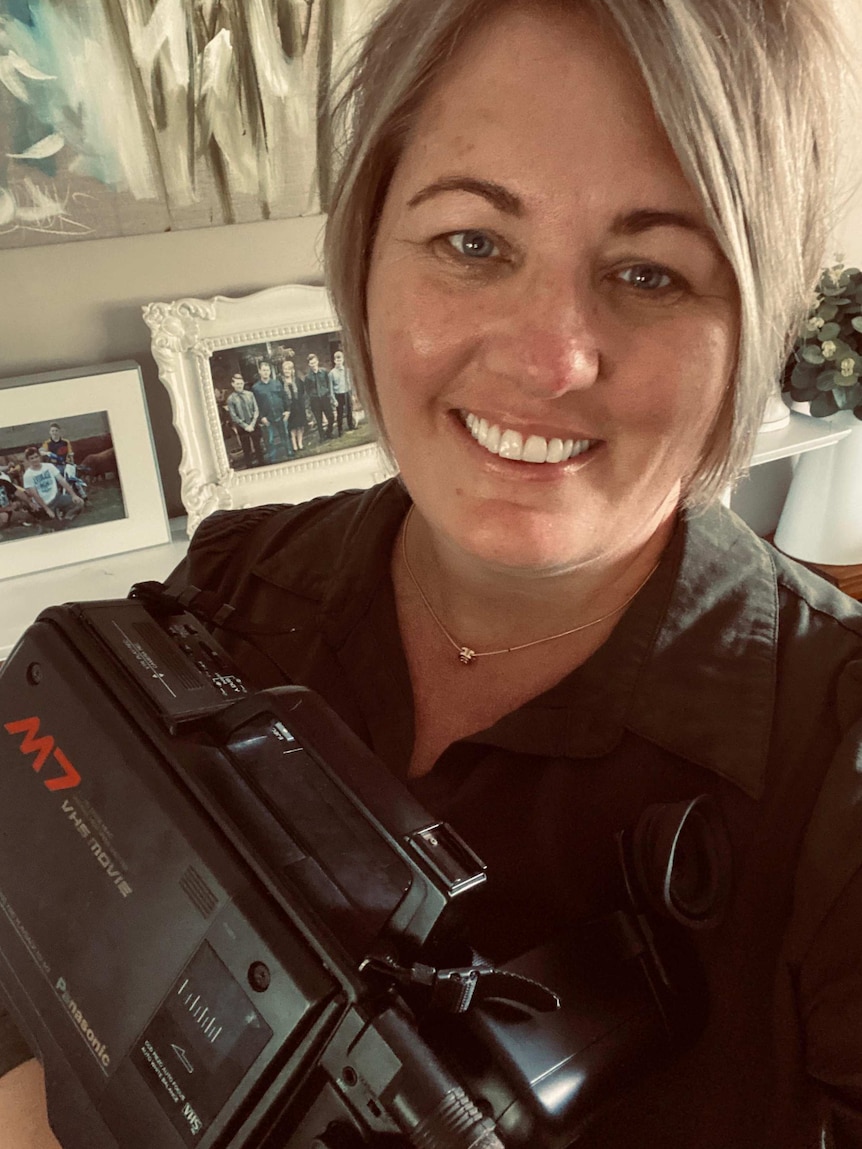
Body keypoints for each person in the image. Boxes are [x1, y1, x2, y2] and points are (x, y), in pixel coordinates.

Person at [0, 1, 857, 1147]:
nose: (548, 359)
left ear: (754, 320)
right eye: (473, 244)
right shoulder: (236, 579)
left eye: (650, 273)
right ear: (365, 255)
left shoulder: (832, 778)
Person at [21, 446, 84, 525]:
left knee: (79, 503)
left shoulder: (49, 466)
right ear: (28, 460)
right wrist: (47, 509)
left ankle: (66, 518)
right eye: (32, 458)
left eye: (36, 457)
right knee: (53, 525)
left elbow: (62, 480)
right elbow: (35, 494)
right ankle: (56, 518)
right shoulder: (28, 475)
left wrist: (73, 495)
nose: (35, 460)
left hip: (56, 497)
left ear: (40, 456)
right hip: (45, 503)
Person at [251, 359, 292, 463]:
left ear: (270, 371)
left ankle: (289, 453)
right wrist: (261, 417)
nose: (266, 372)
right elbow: (255, 405)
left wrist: (287, 411)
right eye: (263, 370)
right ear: (259, 371)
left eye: (267, 370)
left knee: (285, 435)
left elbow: (284, 397)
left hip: (281, 415)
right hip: (268, 418)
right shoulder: (256, 388)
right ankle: (273, 459)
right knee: (270, 440)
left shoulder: (276, 383)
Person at [225, 372, 264, 469]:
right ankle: (249, 466)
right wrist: (245, 426)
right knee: (246, 448)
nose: (239, 386)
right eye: (237, 384)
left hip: (253, 423)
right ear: (233, 384)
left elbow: (256, 409)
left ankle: (262, 463)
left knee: (258, 445)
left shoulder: (250, 394)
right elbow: (233, 416)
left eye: (241, 384)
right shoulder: (231, 399)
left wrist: (253, 423)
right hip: (242, 426)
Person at [303, 352, 335, 442]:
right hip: (315, 400)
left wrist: (328, 394)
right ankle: (322, 437)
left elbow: (328, 383)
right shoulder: (308, 377)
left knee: (331, 417)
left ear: (317, 361)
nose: (313, 365)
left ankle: (329, 432)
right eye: (311, 363)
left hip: (325, 397)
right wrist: (311, 399)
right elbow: (307, 390)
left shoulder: (324, 372)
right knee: (319, 420)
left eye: (314, 362)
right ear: (309, 364)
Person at [281, 356, 308, 453]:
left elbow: (303, 392)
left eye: (289, 369)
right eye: (285, 369)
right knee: (292, 428)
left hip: (299, 407)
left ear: (292, 370)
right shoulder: (280, 382)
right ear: (283, 371)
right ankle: (294, 445)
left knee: (300, 426)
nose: (287, 371)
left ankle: (300, 443)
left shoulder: (297, 381)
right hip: (289, 408)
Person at [329, 349, 356, 436]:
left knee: (349, 410)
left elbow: (350, 383)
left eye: (340, 360)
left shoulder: (347, 370)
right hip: (338, 394)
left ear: (343, 360)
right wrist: (333, 399)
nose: (339, 362)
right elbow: (331, 388)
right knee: (340, 413)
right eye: (337, 360)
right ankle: (340, 429)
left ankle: (350, 425)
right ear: (334, 361)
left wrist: (352, 395)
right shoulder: (331, 373)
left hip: (347, 392)